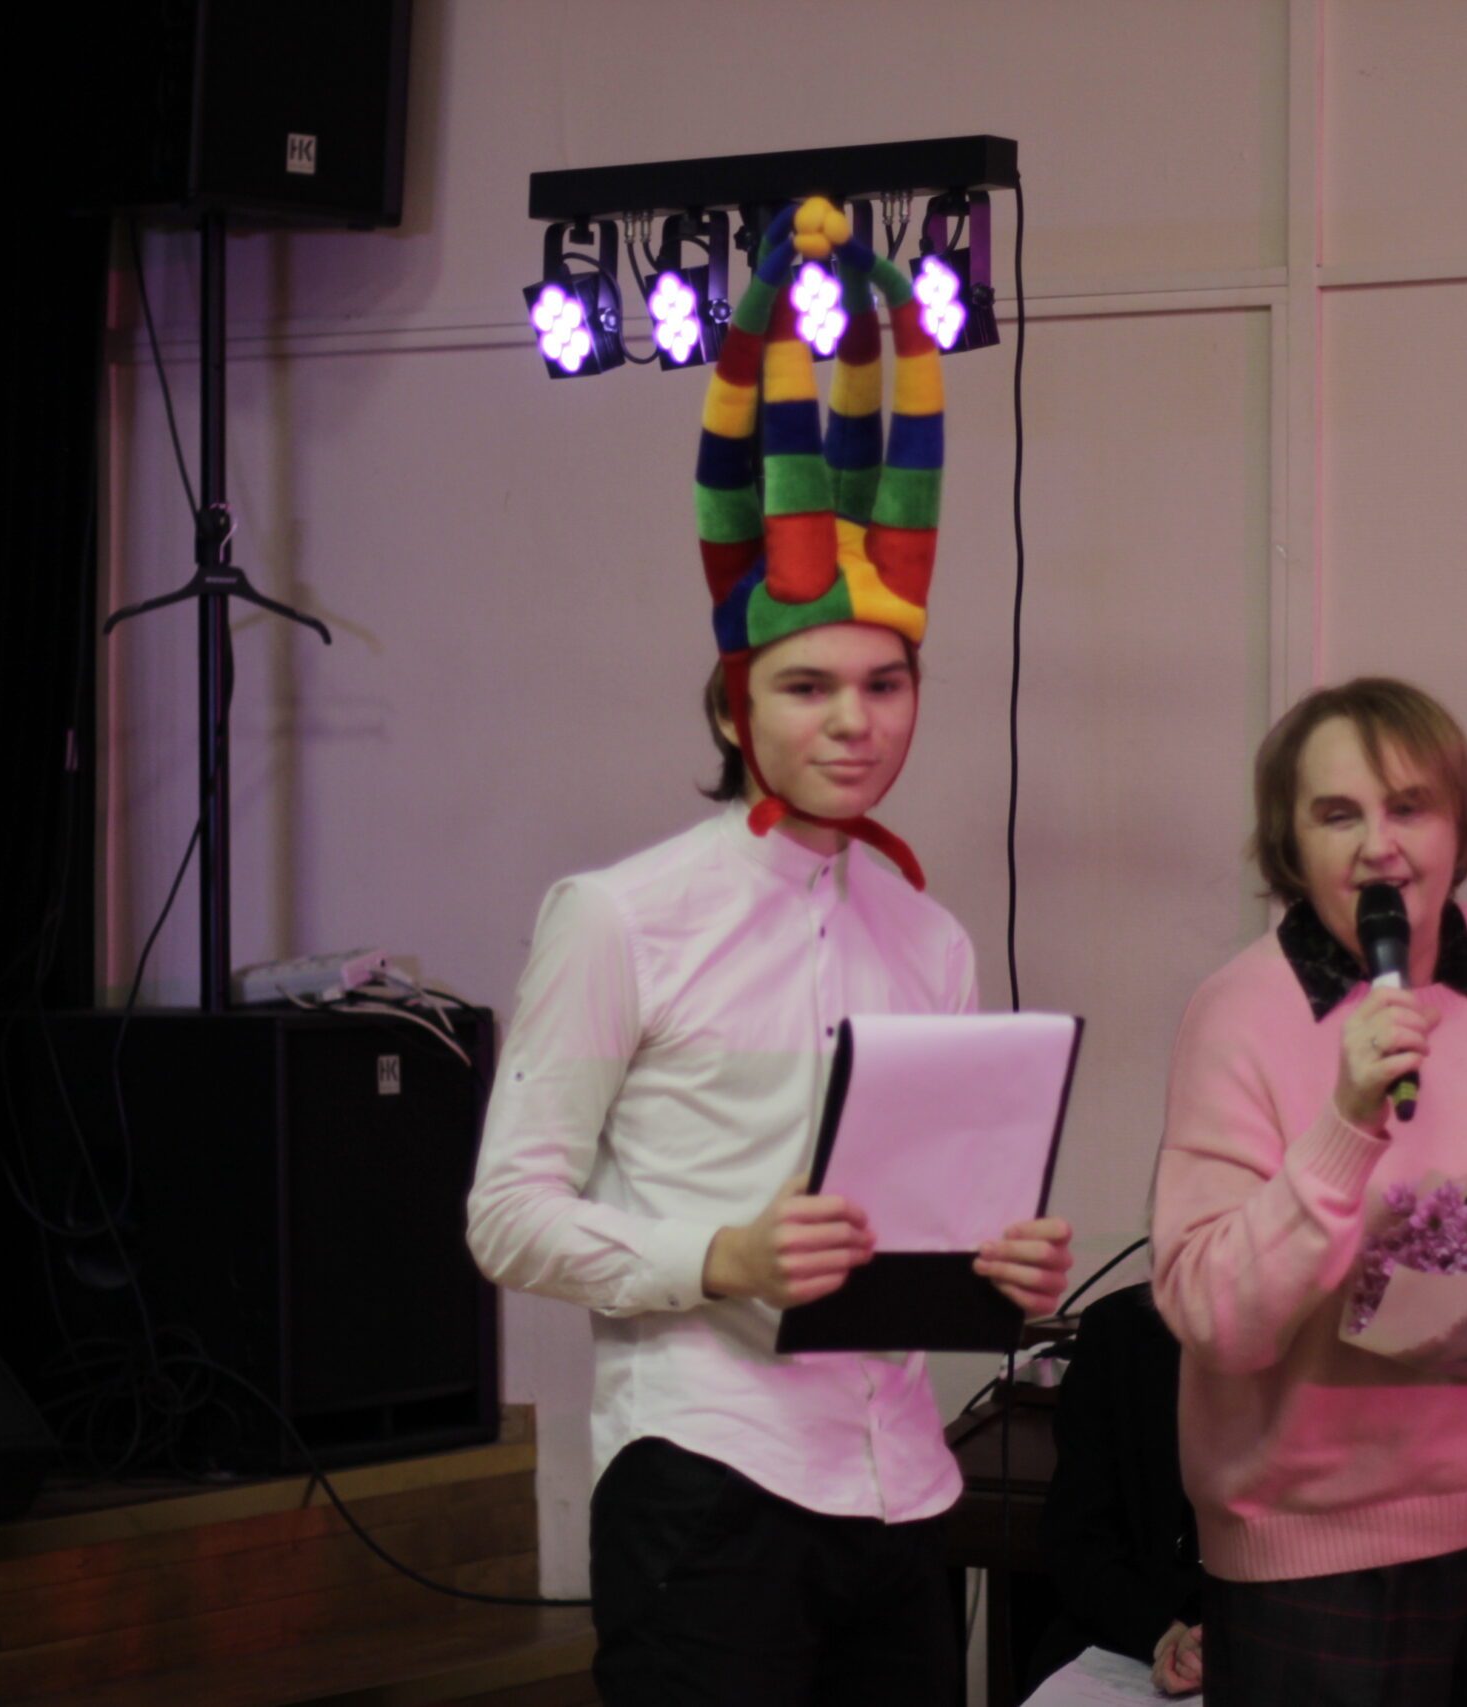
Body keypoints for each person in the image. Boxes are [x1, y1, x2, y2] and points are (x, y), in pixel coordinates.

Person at [466, 199, 1073, 1707]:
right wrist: (715, 1257)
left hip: (903, 1482)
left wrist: (998, 1272)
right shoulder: (620, 912)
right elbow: (507, 1215)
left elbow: (921, 1220)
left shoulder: (931, 934)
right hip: (704, 1473)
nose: (854, 721)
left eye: (887, 683)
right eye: (809, 687)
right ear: (738, 705)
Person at [1150, 678, 1467, 1706]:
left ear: (1459, 825)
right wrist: (1345, 1126)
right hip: (1318, 1567)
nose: (1377, 847)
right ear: (1290, 845)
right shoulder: (1238, 1012)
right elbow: (1214, 1317)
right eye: (1337, 815)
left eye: (1409, 808)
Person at [1028, 1280, 1204, 1696]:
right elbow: (1075, 1536)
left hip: (1282, 1632)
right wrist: (1162, 1634)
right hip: (1133, 1633)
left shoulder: (1336, 1329)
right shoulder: (1119, 1325)